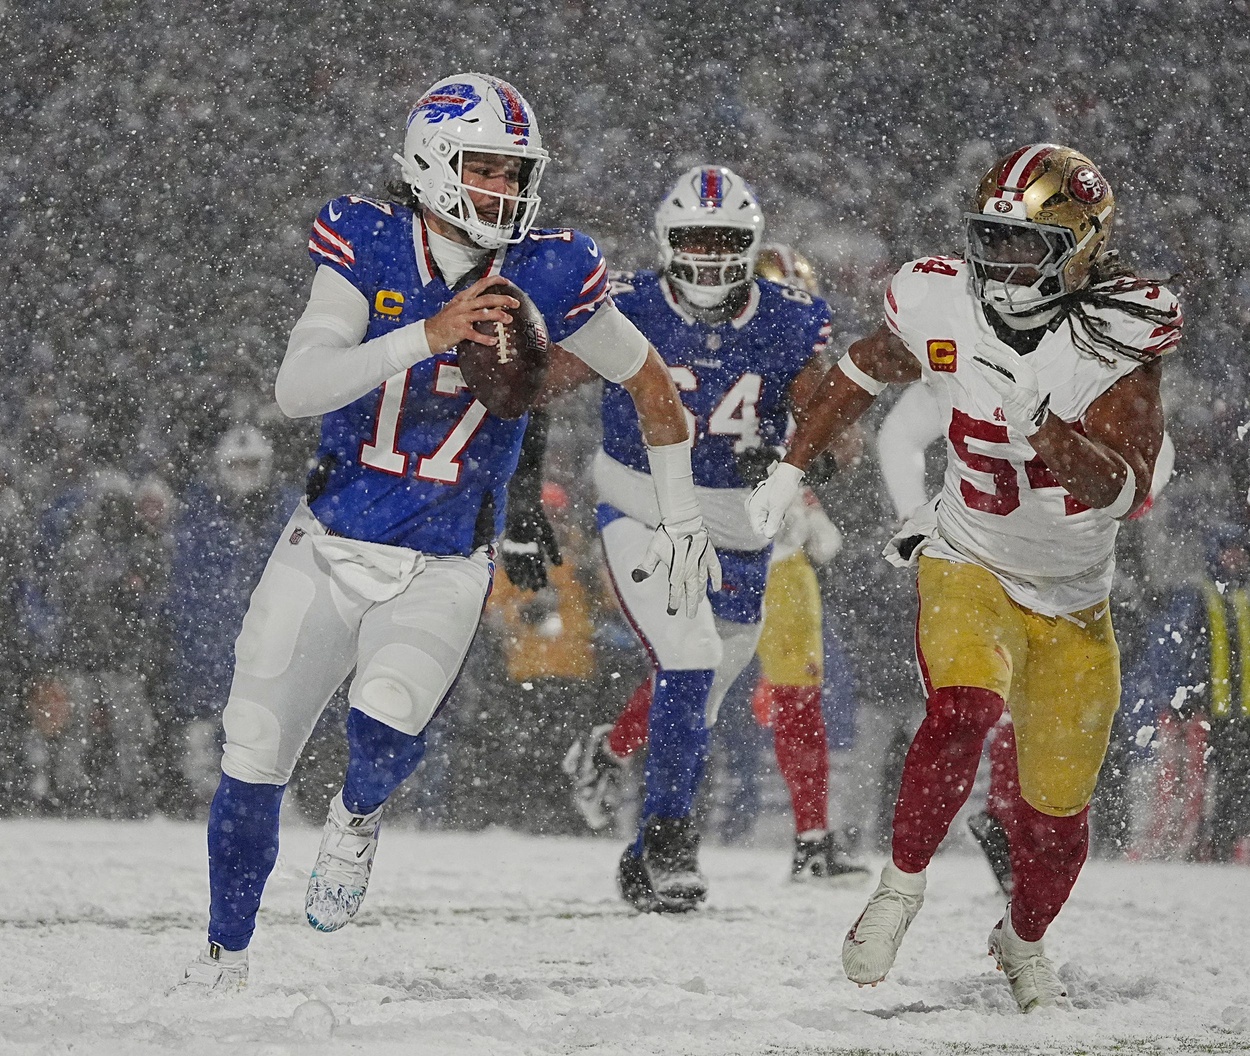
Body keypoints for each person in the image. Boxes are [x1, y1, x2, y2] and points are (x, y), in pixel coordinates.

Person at [179, 73, 718, 988]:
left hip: (443, 557)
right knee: (252, 752)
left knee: (385, 726)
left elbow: (653, 385)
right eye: (488, 170)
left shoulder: (549, 268)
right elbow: (297, 386)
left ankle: (356, 817)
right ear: (431, 163)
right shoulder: (369, 236)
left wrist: (681, 515)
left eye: (517, 174)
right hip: (329, 540)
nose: (506, 192)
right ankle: (223, 954)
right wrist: (425, 334)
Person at [747, 143, 1182, 1011]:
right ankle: (900, 888)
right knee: (962, 709)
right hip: (968, 556)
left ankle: (1021, 942)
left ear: (1080, 250)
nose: (1003, 264)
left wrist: (1044, 426)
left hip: (1073, 598)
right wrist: (791, 467)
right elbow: (863, 368)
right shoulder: (944, 298)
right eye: (993, 240)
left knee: (1057, 823)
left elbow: (1122, 489)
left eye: (1027, 248)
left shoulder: (1121, 333)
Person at [535, 175, 846, 912]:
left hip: (742, 524)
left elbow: (831, 425)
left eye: (725, 242)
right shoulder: (631, 306)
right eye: (694, 241)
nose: (708, 259)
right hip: (643, 504)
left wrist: (801, 455)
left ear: (753, 245)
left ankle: (643, 848)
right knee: (689, 655)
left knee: (698, 694)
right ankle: (673, 839)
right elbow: (536, 387)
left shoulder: (790, 319)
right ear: (666, 243)